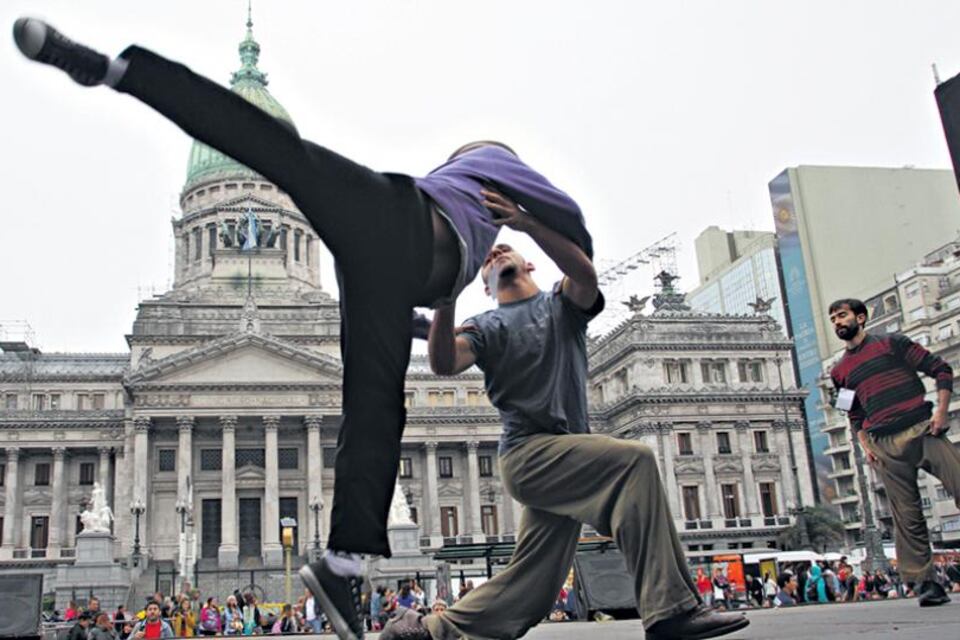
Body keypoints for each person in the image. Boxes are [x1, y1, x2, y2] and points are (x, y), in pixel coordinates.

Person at [12, 18, 595, 640]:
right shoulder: (452, 182)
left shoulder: (504, 183)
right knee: (275, 151)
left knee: (375, 404)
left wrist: (528, 226)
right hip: (387, 229)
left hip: (394, 275)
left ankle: (341, 561)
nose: (467, 158)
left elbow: (567, 244)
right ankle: (119, 71)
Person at [382, 226, 749, 639]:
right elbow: (445, 363)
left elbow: (585, 274)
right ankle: (671, 611)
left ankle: (428, 632)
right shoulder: (485, 325)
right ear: (484, 287)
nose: (495, 254)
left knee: (535, 583)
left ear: (530, 264)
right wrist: (446, 299)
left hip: (568, 457)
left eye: (505, 250)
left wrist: (525, 221)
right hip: (530, 457)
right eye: (487, 259)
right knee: (636, 460)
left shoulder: (562, 305)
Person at [828, 298, 959, 607]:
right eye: (833, 318)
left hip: (922, 429)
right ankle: (926, 585)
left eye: (842, 315)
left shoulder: (893, 343)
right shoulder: (839, 371)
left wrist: (941, 412)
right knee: (906, 516)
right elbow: (852, 413)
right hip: (883, 443)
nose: (837, 322)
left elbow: (940, 369)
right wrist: (865, 446)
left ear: (861, 317)